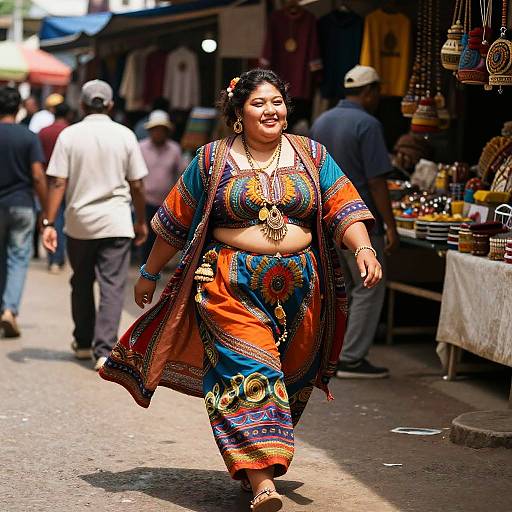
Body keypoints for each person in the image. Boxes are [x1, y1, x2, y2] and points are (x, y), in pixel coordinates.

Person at [99, 69, 381, 511]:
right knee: (250, 375)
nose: (271, 111)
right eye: (258, 103)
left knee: (289, 381)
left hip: (302, 291)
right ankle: (263, 481)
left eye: (277, 102)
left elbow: (344, 203)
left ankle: (254, 460)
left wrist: (363, 247)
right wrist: (149, 273)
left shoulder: (313, 155)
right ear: (238, 114)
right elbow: (175, 220)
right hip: (228, 284)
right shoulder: (212, 159)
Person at [42, 80, 149, 371]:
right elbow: (137, 184)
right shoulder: (125, 135)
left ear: (82, 105)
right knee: (113, 287)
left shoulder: (70, 136)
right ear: (111, 105)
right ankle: (103, 349)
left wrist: (49, 222)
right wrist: (141, 221)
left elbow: (58, 182)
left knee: (81, 281)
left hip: (79, 225)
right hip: (116, 223)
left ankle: (83, 342)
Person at [310, 65, 399, 379]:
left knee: (343, 286)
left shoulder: (323, 120)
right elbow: (376, 182)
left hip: (326, 217)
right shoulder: (368, 123)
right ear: (370, 91)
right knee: (369, 285)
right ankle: (350, 357)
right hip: (358, 220)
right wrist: (390, 225)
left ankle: (333, 351)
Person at [0, 86, 47, 338]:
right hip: (22, 205)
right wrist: (46, 212)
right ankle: (9, 309)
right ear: (19, 108)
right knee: (18, 258)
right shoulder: (28, 136)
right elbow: (38, 176)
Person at [139, 110, 183, 262]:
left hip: (165, 202)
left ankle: (155, 265)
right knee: (146, 237)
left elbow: (180, 174)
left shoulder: (174, 149)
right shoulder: (141, 148)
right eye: (155, 129)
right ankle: (145, 265)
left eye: (161, 130)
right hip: (144, 200)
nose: (158, 133)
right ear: (150, 131)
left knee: (161, 236)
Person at [39, 102, 72, 274]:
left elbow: (38, 160)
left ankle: (53, 257)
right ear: (68, 115)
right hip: (69, 183)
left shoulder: (44, 132)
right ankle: (59, 257)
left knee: (52, 218)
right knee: (64, 221)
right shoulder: (71, 132)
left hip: (47, 182)